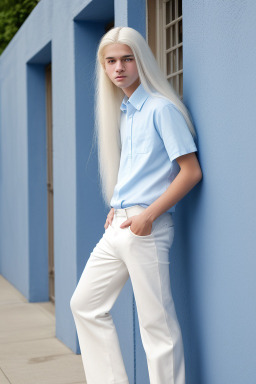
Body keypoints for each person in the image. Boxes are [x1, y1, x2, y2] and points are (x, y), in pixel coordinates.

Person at [70, 26, 202, 384]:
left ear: (140, 59)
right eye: (110, 61)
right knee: (84, 305)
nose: (119, 68)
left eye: (127, 58)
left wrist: (147, 215)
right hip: (118, 227)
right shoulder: (126, 112)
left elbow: (190, 173)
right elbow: (138, 172)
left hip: (147, 228)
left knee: (156, 325)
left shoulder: (161, 109)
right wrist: (119, 203)